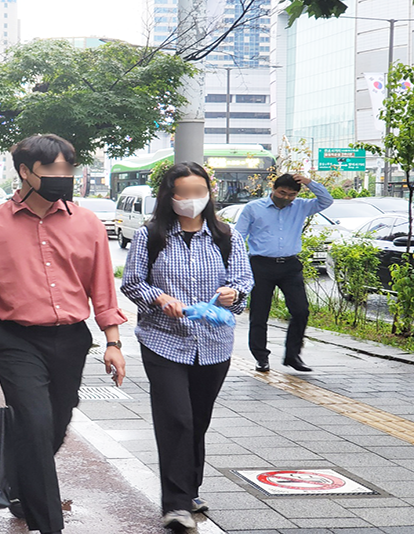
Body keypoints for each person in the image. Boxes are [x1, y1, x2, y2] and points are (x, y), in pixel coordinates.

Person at [0, 134, 127, 534]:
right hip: (15, 338)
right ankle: (49, 524)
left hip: (71, 339)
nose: (62, 176)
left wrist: (113, 342)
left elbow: (102, 287)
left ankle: (20, 480)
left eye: (67, 168)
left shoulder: (87, 223)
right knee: (34, 422)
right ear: (25, 171)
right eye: (52, 168)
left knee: (55, 422)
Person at [121, 162, 254, 530]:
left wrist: (233, 294)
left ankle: (190, 489)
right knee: (176, 419)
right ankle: (176, 504)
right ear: (170, 196)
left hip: (213, 345)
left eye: (199, 192)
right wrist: (159, 297)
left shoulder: (226, 236)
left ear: (209, 194)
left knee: (197, 420)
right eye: (185, 193)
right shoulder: (151, 236)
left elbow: (243, 281)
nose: (192, 199)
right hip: (163, 341)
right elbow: (132, 282)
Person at [235, 173, 333, 373]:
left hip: (290, 265)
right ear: (273, 188)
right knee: (259, 313)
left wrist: (309, 183)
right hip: (260, 265)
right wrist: (237, 266)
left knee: (301, 311)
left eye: (291, 195)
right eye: (282, 193)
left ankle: (292, 355)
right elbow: (238, 237)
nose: (286, 198)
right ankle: (261, 357)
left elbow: (326, 200)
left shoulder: (301, 206)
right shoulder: (253, 208)